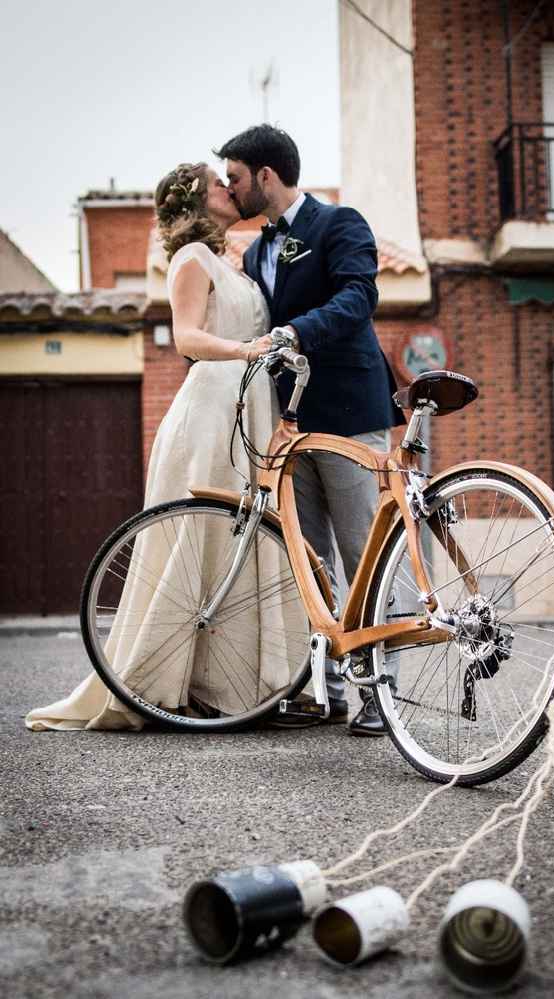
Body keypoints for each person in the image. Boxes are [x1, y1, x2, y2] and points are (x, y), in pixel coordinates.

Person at [25, 162, 275, 731]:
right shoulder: (190, 259)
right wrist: (246, 350)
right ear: (194, 200)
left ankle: (221, 686)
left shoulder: (230, 260)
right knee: (199, 539)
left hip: (248, 409)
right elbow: (185, 338)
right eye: (217, 182)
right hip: (211, 411)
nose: (227, 188)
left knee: (233, 543)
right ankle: (164, 683)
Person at [216, 124, 404, 735]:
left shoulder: (339, 224)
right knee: (309, 559)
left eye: (235, 177)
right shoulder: (252, 253)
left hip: (349, 412)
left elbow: (358, 298)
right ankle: (325, 687)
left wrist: (297, 333)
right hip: (286, 422)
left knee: (362, 554)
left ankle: (382, 692)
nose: (230, 187)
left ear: (266, 176)